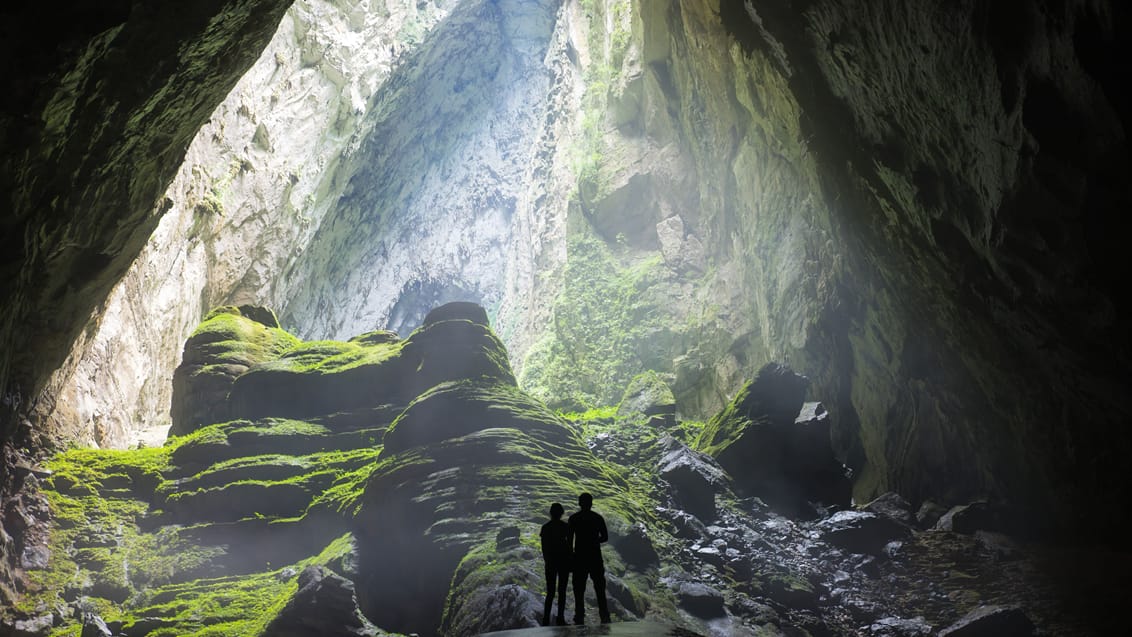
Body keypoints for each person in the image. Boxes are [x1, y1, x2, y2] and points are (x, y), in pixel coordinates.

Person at [568, 492, 610, 624]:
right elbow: (605, 537)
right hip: (595, 557)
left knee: (578, 588)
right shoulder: (597, 518)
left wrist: (571, 557)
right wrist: (594, 540)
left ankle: (579, 615)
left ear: (579, 503)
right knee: (599, 587)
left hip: (579, 557)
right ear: (591, 503)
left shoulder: (574, 519)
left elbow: (569, 540)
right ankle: (604, 615)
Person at [539, 502, 571, 626]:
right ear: (561, 513)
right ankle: (560, 618)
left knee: (550, 592)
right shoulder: (565, 527)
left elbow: (544, 547)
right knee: (562, 591)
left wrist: (547, 561)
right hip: (563, 562)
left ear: (551, 513)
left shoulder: (546, 527)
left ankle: (546, 619)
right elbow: (569, 545)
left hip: (551, 563)